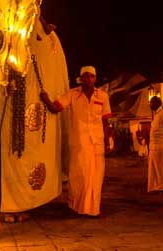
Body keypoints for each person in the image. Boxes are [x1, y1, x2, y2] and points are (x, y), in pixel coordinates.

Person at [39, 66, 110, 217]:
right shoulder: (72, 94)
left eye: (91, 76)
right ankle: (77, 207)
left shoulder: (102, 96)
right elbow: (55, 108)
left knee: (96, 176)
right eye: (85, 76)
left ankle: (93, 209)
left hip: (97, 142)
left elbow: (105, 121)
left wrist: (109, 141)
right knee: (80, 176)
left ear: (95, 79)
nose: (88, 79)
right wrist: (45, 99)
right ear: (80, 78)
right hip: (79, 143)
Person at [146, 97, 163, 193]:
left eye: (151, 103)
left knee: (162, 168)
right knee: (155, 168)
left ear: (157, 103)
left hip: (161, 145)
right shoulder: (157, 115)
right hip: (154, 146)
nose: (150, 105)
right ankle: (156, 187)